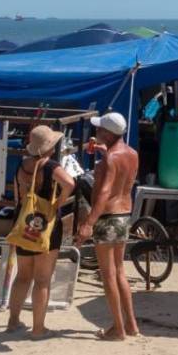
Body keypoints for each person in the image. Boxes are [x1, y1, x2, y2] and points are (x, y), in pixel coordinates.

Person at [75, 111, 140, 339]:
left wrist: (88, 223)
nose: (96, 132)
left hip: (108, 217)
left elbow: (103, 193)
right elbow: (121, 176)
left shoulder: (111, 159)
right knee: (119, 271)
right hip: (124, 215)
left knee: (108, 274)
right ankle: (131, 325)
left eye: (100, 129)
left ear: (109, 134)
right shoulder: (131, 154)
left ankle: (118, 329)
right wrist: (104, 154)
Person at [5, 125, 75, 337]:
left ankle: (13, 321)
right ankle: (38, 328)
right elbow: (70, 184)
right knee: (42, 279)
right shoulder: (51, 166)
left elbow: (18, 196)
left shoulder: (22, 165)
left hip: (22, 222)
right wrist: (57, 204)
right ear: (49, 147)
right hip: (46, 225)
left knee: (23, 276)